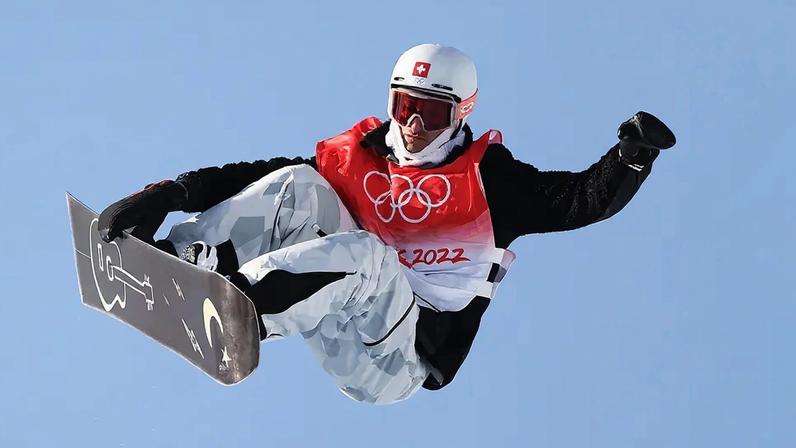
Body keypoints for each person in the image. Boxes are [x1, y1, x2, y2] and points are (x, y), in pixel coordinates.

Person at [98, 43, 676, 404]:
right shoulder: (361, 156)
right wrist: (168, 193)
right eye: (406, 107)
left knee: (368, 255)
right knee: (299, 184)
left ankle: (241, 312)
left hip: (395, 359)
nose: (417, 125)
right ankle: (179, 265)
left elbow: (580, 200)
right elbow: (257, 174)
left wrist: (630, 157)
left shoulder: (493, 183)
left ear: (462, 114)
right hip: (335, 303)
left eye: (433, 113)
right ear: (392, 100)